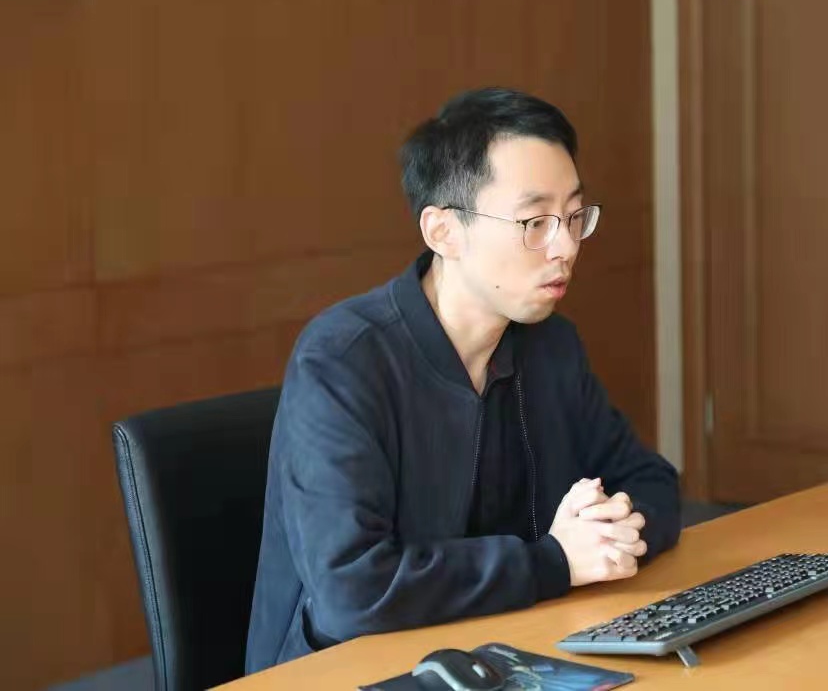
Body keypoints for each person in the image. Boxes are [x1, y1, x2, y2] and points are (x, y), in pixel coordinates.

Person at [245, 87, 682, 673]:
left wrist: (609, 532)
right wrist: (556, 561)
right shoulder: (343, 360)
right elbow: (353, 592)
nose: (566, 246)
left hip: (513, 650)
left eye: (575, 216)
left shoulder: (551, 346)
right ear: (443, 232)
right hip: (350, 672)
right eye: (535, 222)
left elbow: (653, 483)